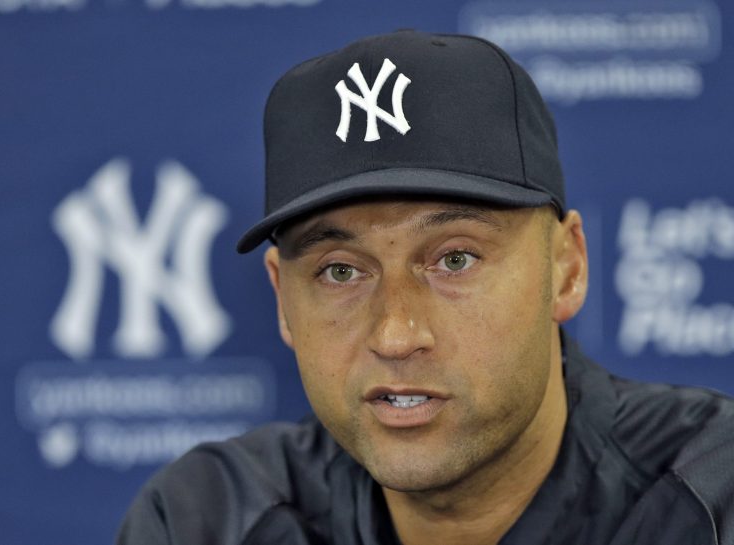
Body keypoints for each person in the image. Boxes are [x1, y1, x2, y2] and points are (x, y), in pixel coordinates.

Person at [117, 30, 734, 545]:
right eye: (340, 271)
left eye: (456, 259)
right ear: (283, 298)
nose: (396, 334)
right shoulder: (209, 520)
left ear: (565, 268)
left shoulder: (713, 497)